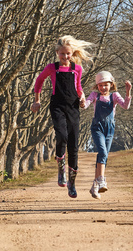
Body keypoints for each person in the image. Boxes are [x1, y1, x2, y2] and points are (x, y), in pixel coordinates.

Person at [31, 35, 93, 198]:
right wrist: (36, 101)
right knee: (62, 135)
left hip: (73, 107)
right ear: (57, 52)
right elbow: (39, 81)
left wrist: (82, 97)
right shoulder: (52, 68)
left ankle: (72, 184)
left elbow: (78, 86)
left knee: (73, 144)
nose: (65, 57)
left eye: (68, 54)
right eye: (62, 54)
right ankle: (61, 169)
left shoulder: (76, 69)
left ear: (72, 54)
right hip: (57, 105)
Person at [83, 71, 131, 199]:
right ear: (97, 86)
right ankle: (102, 180)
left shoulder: (114, 96)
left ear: (111, 84)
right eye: (100, 85)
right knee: (103, 153)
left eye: (106, 85)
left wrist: (128, 92)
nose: (103, 88)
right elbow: (86, 104)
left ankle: (95, 186)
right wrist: (82, 102)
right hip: (97, 127)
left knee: (103, 155)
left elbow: (125, 106)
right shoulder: (95, 96)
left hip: (110, 129)